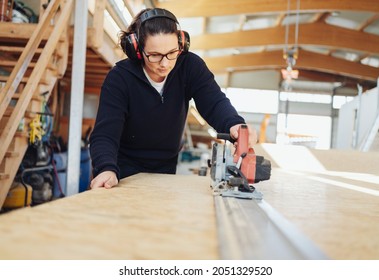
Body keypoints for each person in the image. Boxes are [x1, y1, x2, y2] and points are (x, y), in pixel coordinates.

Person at [89, 8, 258, 189]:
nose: (165, 63)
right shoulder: (120, 78)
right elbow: (105, 134)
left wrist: (234, 124)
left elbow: (214, 102)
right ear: (137, 50)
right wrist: (106, 168)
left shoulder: (190, 67)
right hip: (122, 171)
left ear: (181, 44)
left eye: (172, 52)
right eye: (154, 55)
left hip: (166, 168)